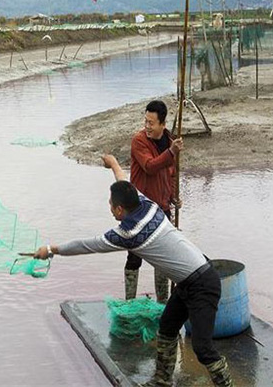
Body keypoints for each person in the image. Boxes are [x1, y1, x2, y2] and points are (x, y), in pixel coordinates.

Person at [32, 155, 233, 387]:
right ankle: (161, 382)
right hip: (189, 281)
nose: (109, 210)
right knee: (167, 328)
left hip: (202, 283)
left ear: (119, 209)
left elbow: (85, 245)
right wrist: (114, 164)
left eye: (110, 205)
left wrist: (50, 249)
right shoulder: (146, 203)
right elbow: (124, 182)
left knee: (202, 348)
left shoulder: (129, 233)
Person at [124, 100, 183, 303]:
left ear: (162, 124)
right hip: (139, 209)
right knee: (134, 256)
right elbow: (150, 166)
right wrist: (171, 153)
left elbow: (172, 173)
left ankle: (163, 302)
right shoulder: (139, 141)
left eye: (151, 123)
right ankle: (129, 302)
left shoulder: (170, 142)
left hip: (162, 208)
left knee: (163, 257)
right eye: (145, 121)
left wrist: (174, 196)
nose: (147, 126)